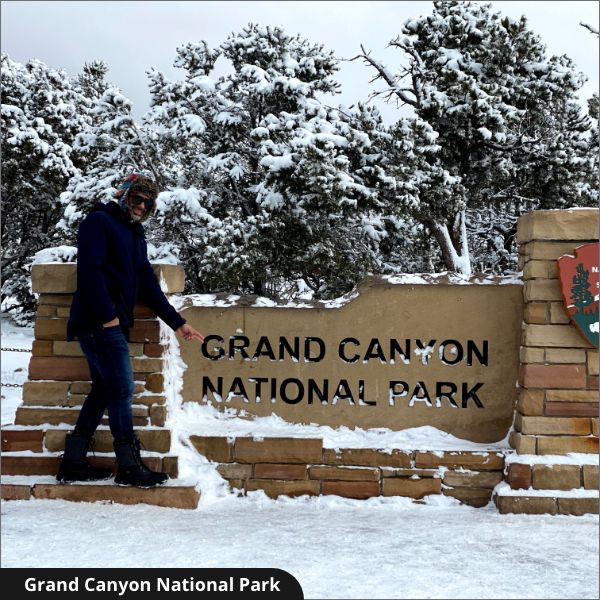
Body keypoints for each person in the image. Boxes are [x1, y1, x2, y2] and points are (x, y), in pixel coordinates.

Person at [57, 173, 204, 487]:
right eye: (136, 198)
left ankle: (72, 461)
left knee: (103, 390)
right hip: (99, 324)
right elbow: (90, 272)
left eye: (147, 202)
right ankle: (128, 466)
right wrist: (108, 317)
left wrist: (178, 323)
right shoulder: (99, 222)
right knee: (122, 390)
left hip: (112, 326)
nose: (141, 206)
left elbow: (149, 287)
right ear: (123, 195)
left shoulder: (135, 234)